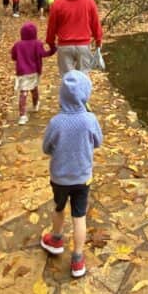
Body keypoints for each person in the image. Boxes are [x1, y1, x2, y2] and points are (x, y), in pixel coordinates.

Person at [40, 70, 102, 278]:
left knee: (58, 208)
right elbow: (98, 142)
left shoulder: (56, 122)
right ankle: (77, 259)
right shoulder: (90, 120)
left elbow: (46, 148)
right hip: (83, 177)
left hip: (59, 177)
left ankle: (56, 239)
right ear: (86, 94)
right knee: (79, 216)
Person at [46, 0, 102, 75]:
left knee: (67, 78)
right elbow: (95, 23)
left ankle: (69, 91)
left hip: (64, 46)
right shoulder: (89, 1)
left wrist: (50, 43)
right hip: (83, 45)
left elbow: (52, 27)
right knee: (83, 77)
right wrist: (98, 40)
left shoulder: (57, 4)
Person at [10, 22, 56, 125]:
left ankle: (22, 115)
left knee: (23, 92)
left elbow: (13, 56)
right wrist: (53, 49)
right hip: (34, 71)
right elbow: (44, 54)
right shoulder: (37, 43)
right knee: (34, 88)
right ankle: (35, 105)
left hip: (22, 72)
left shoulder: (18, 45)